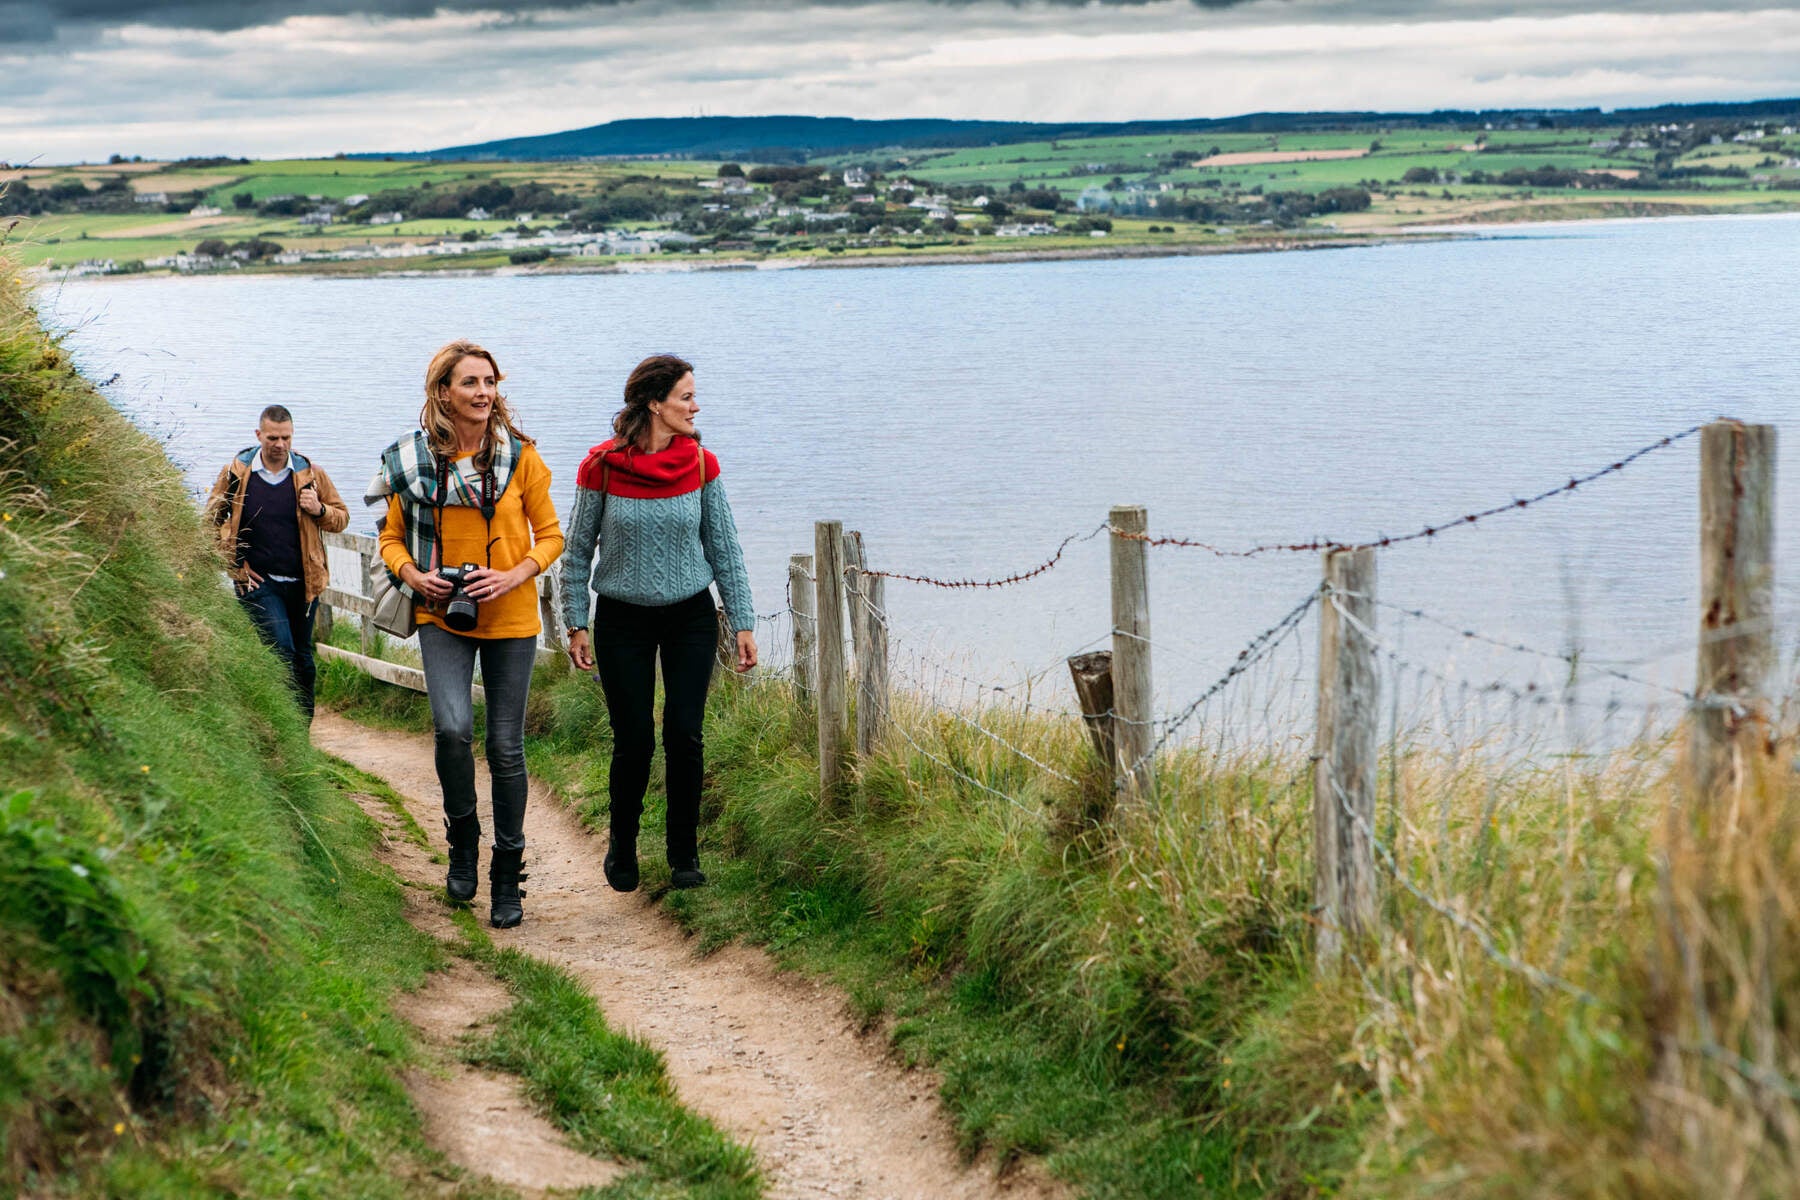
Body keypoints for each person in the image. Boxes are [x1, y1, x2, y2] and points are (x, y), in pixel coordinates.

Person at [369, 340, 563, 928]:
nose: (484, 393)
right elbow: (390, 538)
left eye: (490, 382)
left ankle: (508, 875)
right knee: (452, 730)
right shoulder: (412, 461)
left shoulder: (521, 457)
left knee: (506, 748)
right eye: (471, 383)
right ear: (443, 392)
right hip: (440, 612)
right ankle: (462, 842)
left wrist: (512, 575)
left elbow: (551, 536)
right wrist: (413, 576)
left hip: (511, 616)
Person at [561, 354, 756, 894]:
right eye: (686, 397)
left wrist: (742, 620)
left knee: (685, 734)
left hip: (690, 616)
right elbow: (576, 552)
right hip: (621, 619)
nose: (696, 406)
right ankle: (622, 844)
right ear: (654, 404)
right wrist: (575, 621)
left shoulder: (700, 464)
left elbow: (725, 547)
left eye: (694, 396)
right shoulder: (599, 467)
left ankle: (683, 856)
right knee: (634, 740)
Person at [206, 404, 350, 721]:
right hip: (259, 583)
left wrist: (319, 510)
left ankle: (300, 736)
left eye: (285, 437)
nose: (279, 445)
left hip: (303, 584)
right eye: (272, 437)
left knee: (303, 659)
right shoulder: (237, 473)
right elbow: (210, 522)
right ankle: (278, 723)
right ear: (259, 435)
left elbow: (341, 519)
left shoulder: (310, 474)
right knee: (282, 649)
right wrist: (234, 566)